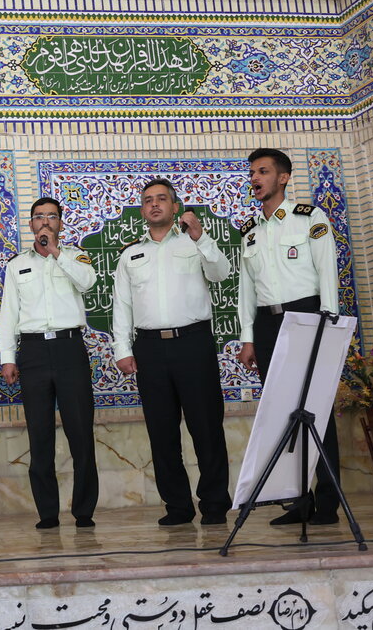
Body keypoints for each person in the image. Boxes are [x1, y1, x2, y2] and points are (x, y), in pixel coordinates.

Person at [112, 178, 232, 526]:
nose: (154, 204)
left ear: (174, 207)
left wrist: (201, 237)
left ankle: (214, 504)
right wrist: (122, 349)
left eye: (161, 199)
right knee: (162, 432)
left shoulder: (194, 243)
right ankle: (177, 506)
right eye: (148, 200)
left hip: (193, 343)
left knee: (206, 427)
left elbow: (221, 273)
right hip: (149, 348)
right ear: (142, 210)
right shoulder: (130, 254)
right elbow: (122, 306)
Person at [236, 148, 341, 525]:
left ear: (282, 178)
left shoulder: (309, 217)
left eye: (263, 171)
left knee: (317, 410)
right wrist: (248, 337)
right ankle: (299, 500)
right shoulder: (250, 232)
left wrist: (327, 322)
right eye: (252, 172)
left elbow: (327, 271)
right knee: (282, 413)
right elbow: (246, 291)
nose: (255, 178)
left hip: (306, 316)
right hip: (267, 325)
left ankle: (328, 502)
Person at [0, 197, 98, 530]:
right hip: (33, 352)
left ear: (60, 223)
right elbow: (8, 314)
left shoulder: (75, 256)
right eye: (39, 217)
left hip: (70, 349)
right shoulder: (17, 265)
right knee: (39, 435)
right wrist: (8, 359)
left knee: (80, 431)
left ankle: (84, 510)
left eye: (51, 217)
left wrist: (56, 252)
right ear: (30, 225)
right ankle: (47, 513)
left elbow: (88, 282)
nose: (45, 222)